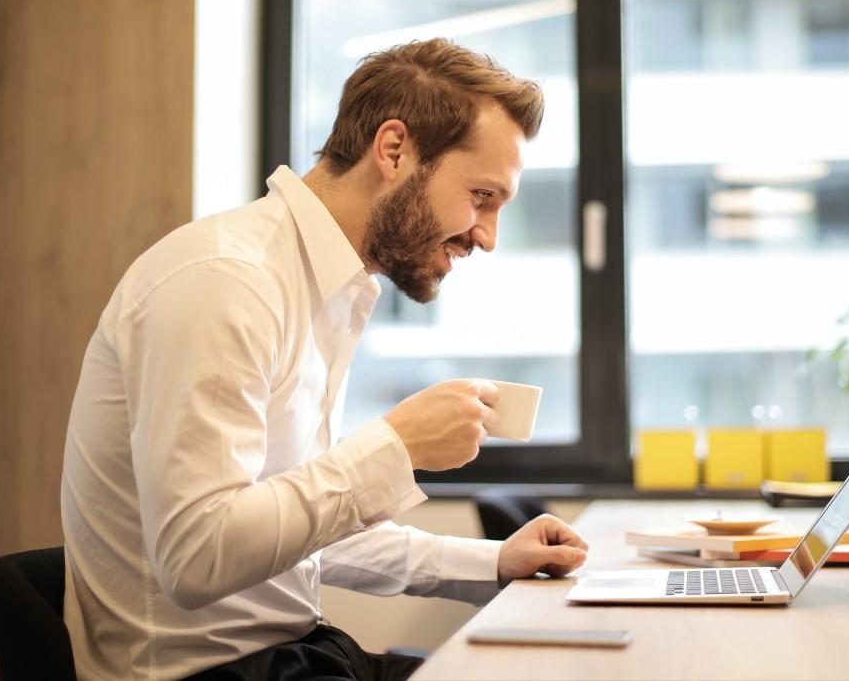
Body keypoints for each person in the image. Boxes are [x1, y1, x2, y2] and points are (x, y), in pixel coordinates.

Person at [60, 38, 590, 680]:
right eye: (481, 196)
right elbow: (197, 557)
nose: (488, 236)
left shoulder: (327, 287)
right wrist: (394, 448)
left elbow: (292, 532)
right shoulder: (227, 281)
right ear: (394, 151)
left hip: (291, 657)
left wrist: (492, 562)